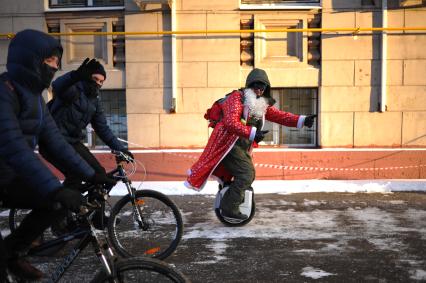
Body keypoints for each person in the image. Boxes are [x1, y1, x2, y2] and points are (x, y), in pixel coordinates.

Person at [0, 29, 115, 281]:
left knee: (56, 203)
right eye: (51, 60)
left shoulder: (35, 98)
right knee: (54, 195)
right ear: (32, 59)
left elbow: (55, 142)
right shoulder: (4, 92)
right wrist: (55, 188)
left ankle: (12, 252)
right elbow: (14, 146)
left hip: (8, 175)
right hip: (6, 172)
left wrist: (92, 175)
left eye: (57, 61)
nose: (55, 66)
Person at [184, 68, 316, 220]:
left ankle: (228, 196)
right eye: (256, 86)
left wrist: (302, 120)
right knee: (246, 174)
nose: (259, 90)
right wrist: (253, 133)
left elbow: (280, 116)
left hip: (241, 146)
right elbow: (230, 123)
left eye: (263, 87)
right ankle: (229, 208)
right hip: (228, 146)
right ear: (249, 85)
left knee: (246, 174)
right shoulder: (236, 98)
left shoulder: (260, 104)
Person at [38, 58, 132, 227]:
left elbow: (103, 128)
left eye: (102, 82)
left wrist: (121, 149)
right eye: (95, 79)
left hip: (72, 142)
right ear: (87, 77)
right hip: (52, 141)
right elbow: (58, 86)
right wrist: (74, 76)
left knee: (100, 174)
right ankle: (59, 220)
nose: (98, 84)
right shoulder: (73, 89)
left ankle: (96, 216)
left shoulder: (94, 100)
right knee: (74, 177)